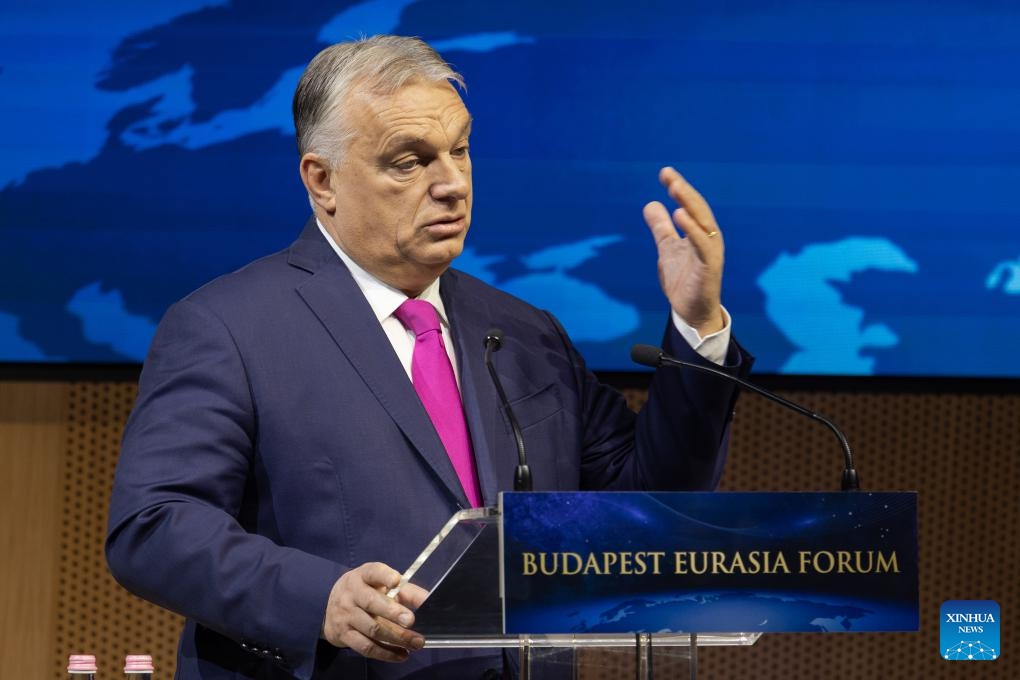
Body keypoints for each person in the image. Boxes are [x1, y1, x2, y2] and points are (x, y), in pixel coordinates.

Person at [106, 35, 751, 680]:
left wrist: (696, 327)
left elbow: (647, 513)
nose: (452, 183)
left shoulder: (526, 333)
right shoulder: (228, 326)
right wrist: (319, 598)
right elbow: (153, 525)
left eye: (461, 150)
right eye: (409, 161)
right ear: (322, 180)